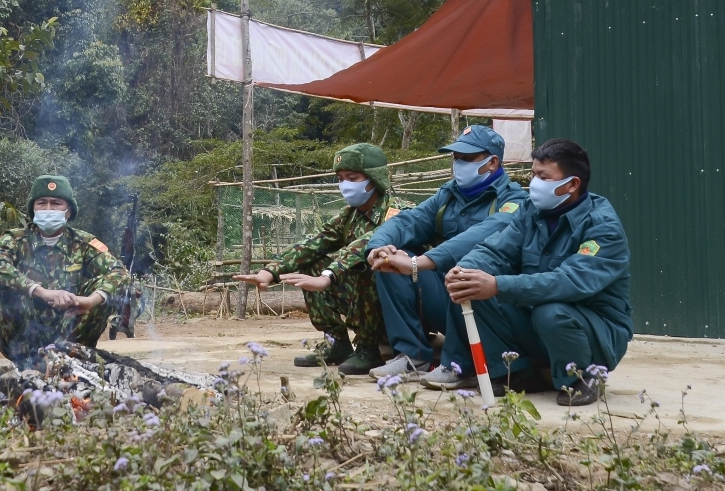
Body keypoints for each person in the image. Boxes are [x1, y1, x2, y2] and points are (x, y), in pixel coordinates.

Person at [425, 139, 632, 406]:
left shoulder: (602, 226)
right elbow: (498, 249)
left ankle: (581, 376)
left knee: (551, 312)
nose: (534, 182)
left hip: (596, 330)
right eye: (533, 173)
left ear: (572, 184)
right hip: (538, 318)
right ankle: (518, 373)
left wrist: (498, 285)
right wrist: (465, 269)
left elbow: (568, 281)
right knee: (474, 288)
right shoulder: (532, 212)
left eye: (543, 176)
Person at [365, 126, 527, 381]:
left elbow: (480, 237)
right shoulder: (448, 195)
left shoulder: (514, 201)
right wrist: (379, 246)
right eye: (456, 158)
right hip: (446, 301)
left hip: (491, 308)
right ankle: (412, 356)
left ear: (492, 162)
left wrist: (419, 263)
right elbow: (409, 221)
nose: (458, 165)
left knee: (466, 275)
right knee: (390, 262)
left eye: (467, 159)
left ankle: (459, 364)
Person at [233, 143, 393, 376]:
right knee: (309, 262)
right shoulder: (350, 216)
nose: (345, 185)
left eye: (352, 177)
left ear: (374, 178)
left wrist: (328, 275)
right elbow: (312, 243)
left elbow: (369, 243)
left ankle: (368, 349)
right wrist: (269, 272)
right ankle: (336, 342)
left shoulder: (396, 211)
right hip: (363, 303)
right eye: (340, 178)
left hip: (399, 307)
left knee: (367, 265)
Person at [0, 175, 129, 364]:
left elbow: (120, 272)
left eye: (56, 203)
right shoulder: (15, 240)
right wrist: (41, 292)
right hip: (20, 340)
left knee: (105, 291)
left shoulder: (83, 243)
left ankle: (72, 359)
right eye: (42, 203)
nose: (48, 209)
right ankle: (28, 361)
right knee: (6, 286)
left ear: (68, 211)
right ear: (33, 208)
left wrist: (90, 301)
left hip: (70, 335)